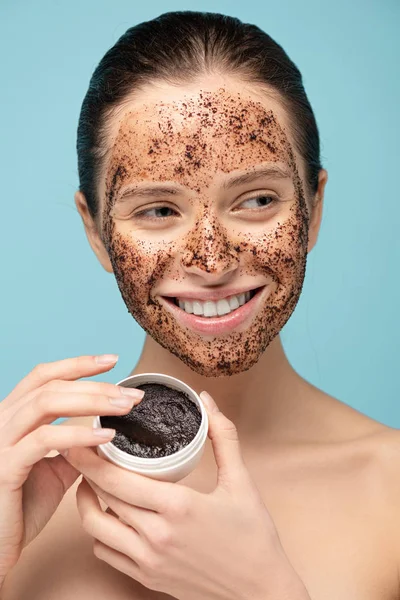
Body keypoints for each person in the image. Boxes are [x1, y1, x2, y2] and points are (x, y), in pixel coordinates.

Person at [1, 10, 399, 600]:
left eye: (257, 199)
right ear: (96, 232)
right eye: (158, 210)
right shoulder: (21, 488)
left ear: (312, 209)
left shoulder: (392, 493)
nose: (212, 262)